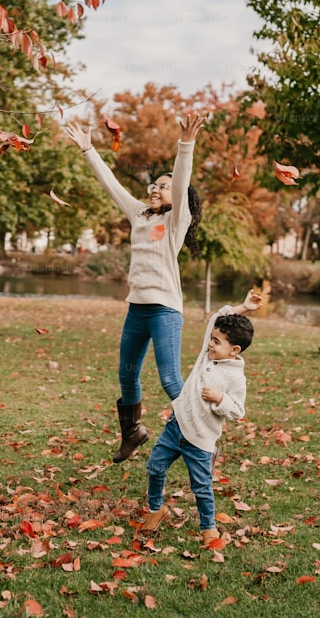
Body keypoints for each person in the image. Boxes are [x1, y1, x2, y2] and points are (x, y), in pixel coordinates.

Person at [64, 114, 207, 463]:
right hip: (137, 309)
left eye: (163, 186)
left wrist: (184, 144)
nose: (155, 189)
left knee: (171, 379)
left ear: (177, 197)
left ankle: (200, 441)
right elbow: (111, 184)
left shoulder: (176, 221)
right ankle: (134, 432)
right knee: (126, 375)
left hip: (165, 310)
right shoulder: (139, 215)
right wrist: (87, 149)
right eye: (154, 185)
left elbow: (182, 176)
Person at [136, 290, 262, 546]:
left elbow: (238, 411)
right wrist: (244, 307)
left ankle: (208, 528)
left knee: (201, 486)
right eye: (211, 339)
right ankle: (155, 510)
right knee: (155, 467)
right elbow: (219, 316)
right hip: (176, 426)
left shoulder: (236, 378)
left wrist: (219, 399)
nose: (210, 344)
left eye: (217, 342)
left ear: (234, 350)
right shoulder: (207, 355)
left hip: (201, 440)